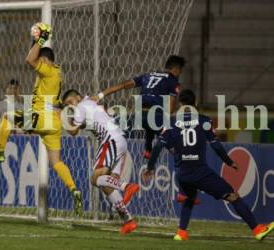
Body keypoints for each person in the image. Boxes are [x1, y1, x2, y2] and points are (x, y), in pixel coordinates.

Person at [142, 89, 274, 241]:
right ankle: (257, 229)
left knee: (190, 197)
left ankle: (181, 233)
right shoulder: (204, 121)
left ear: (180, 104)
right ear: (195, 103)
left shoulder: (171, 123)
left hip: (182, 173)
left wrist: (150, 168)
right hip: (199, 171)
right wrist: (229, 162)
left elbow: (158, 146)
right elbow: (216, 146)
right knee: (232, 196)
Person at [0, 23, 82, 215]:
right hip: (53, 123)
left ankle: (1, 151)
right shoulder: (54, 71)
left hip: (42, 117)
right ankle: (74, 189)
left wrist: (41, 39)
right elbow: (34, 56)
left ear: (45, 60)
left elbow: (30, 59)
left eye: (41, 60)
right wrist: (35, 40)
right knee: (56, 162)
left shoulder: (48, 69)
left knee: (7, 116)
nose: (39, 62)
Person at [62, 89, 139, 234]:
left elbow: (73, 132)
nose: (70, 106)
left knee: (95, 179)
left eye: (70, 102)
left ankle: (127, 186)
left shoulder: (81, 106)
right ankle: (128, 220)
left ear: (78, 97)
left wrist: (63, 118)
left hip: (109, 141)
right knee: (106, 184)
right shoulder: (90, 103)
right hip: (120, 140)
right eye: (67, 105)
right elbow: (86, 124)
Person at [92, 55, 184, 159]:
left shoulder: (147, 75)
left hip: (139, 116)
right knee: (175, 146)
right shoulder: (173, 82)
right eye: (180, 71)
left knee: (151, 123)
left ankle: (147, 150)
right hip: (155, 117)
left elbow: (123, 85)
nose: (180, 74)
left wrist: (100, 95)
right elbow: (170, 110)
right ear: (176, 69)